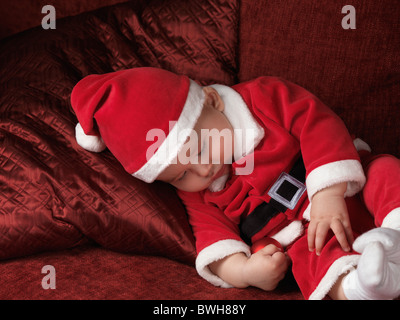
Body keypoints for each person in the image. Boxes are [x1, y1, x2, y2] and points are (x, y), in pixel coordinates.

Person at [71, 67, 400, 300]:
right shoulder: (201, 194)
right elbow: (213, 240)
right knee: (309, 260)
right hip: (301, 234)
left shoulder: (264, 98)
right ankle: (364, 286)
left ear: (212, 101)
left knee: (385, 173)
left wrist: (328, 193)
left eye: (200, 148)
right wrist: (245, 272)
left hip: (347, 185)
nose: (201, 171)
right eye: (180, 175)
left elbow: (317, 121)